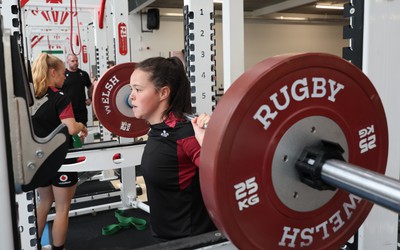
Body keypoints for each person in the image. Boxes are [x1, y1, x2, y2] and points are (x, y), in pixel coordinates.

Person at [129, 56, 216, 241]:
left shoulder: (185, 134)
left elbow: (224, 176)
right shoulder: (157, 128)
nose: (131, 97)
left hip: (189, 239)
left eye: (138, 89)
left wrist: (209, 142)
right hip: (165, 234)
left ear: (163, 93)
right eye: (131, 89)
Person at [31, 53, 88, 250]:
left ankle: (35, 245)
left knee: (44, 203)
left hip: (38, 160)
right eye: (63, 73)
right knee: (62, 208)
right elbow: (71, 128)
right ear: (53, 72)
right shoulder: (60, 98)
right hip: (61, 159)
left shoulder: (31, 98)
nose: (65, 77)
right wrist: (81, 125)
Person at [61, 53, 92, 129]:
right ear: (67, 62)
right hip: (67, 110)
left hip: (81, 110)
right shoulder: (62, 74)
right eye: (72, 61)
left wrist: (90, 98)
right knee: (69, 134)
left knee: (82, 133)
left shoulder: (83, 74)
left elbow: (90, 87)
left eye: (76, 61)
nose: (75, 63)